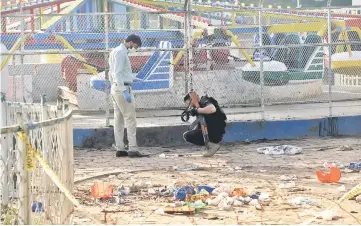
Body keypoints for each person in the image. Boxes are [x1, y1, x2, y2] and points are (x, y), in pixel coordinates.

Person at [109, 34, 146, 158]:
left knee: (118, 120)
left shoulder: (114, 51)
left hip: (115, 88)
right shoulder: (121, 53)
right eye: (135, 46)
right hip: (122, 88)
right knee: (130, 119)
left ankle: (120, 148)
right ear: (130, 42)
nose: (135, 49)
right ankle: (133, 148)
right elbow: (117, 73)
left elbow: (111, 72)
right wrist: (124, 90)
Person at [182, 91, 227, 157]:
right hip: (214, 132)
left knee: (187, 135)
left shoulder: (204, 100)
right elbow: (200, 123)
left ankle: (212, 145)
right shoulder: (199, 106)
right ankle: (210, 145)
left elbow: (212, 109)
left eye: (189, 103)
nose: (190, 106)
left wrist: (197, 110)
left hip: (215, 131)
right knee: (188, 135)